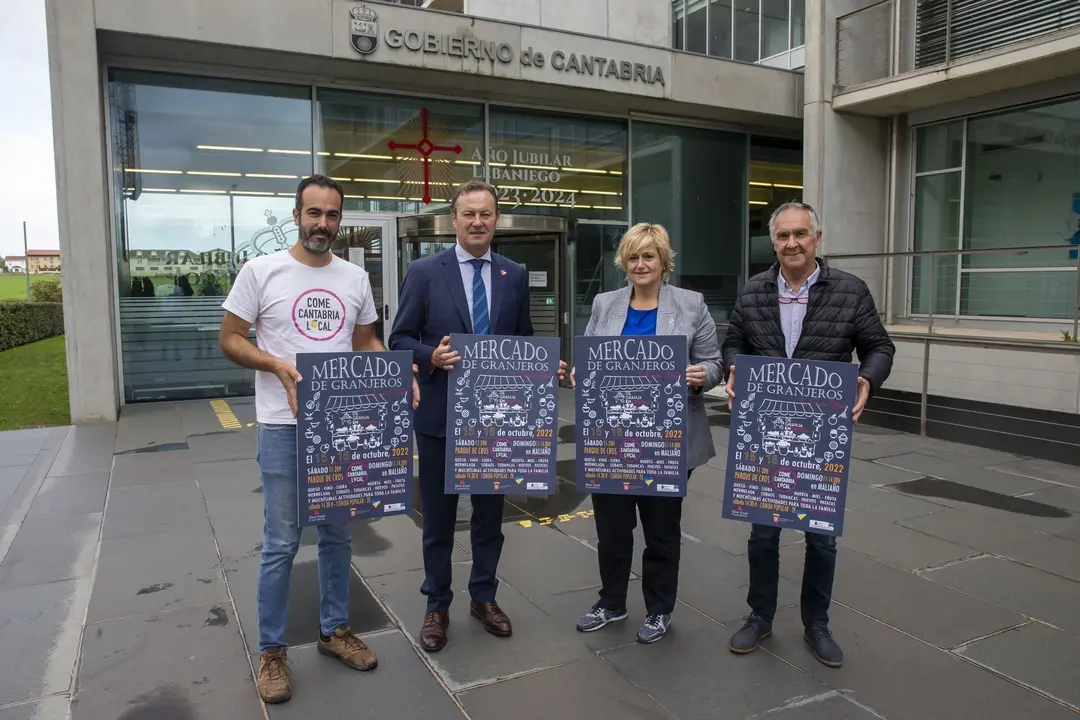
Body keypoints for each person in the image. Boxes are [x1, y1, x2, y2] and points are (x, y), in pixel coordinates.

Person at [219, 174, 419, 704]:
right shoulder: (261, 271)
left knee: (337, 535)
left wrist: (400, 376)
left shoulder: (353, 278)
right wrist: (275, 363)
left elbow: (367, 341)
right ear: (296, 214)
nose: (323, 224)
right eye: (314, 213)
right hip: (284, 425)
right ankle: (272, 652)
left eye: (332, 215)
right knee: (282, 541)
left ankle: (334, 632)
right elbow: (231, 339)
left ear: (340, 221)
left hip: (340, 425)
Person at [388, 179, 566, 652]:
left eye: (486, 214)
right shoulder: (425, 271)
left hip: (497, 420)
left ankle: (483, 596)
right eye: (468, 214)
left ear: (496, 220)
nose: (477, 222)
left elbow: (523, 340)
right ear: (454, 219)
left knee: (490, 518)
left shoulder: (514, 272)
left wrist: (546, 365)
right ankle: (437, 604)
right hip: (441, 417)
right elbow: (399, 339)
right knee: (439, 520)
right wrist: (432, 357)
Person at [722, 201, 894, 668]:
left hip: (820, 434)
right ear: (773, 242)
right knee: (763, 532)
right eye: (783, 236)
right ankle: (759, 616)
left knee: (821, 537)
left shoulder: (851, 290)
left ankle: (816, 623)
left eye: (801, 234)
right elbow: (734, 342)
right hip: (765, 431)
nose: (792, 243)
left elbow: (878, 345)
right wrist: (734, 367)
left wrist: (868, 378)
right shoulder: (754, 290)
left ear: (817, 239)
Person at [570, 222, 723, 644]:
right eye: (633, 256)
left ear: (663, 261)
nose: (641, 264)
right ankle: (611, 602)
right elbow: (590, 356)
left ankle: (659, 609)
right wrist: (581, 373)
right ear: (624, 262)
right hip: (611, 439)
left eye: (649, 256)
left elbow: (713, 362)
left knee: (661, 530)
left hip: (666, 442)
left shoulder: (691, 305)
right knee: (612, 530)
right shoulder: (604, 304)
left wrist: (700, 375)